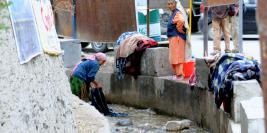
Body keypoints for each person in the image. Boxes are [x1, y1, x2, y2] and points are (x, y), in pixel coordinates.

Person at [70, 53, 127, 117]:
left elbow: (87, 75)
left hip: (73, 77)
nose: (103, 63)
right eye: (104, 61)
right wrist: (97, 84)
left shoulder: (89, 60)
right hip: (79, 79)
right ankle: (80, 114)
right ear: (101, 60)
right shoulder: (95, 64)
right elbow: (90, 77)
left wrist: (91, 84)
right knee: (81, 97)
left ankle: (78, 111)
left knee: (76, 97)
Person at [167, 0, 187, 80]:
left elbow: (181, 20)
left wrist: (180, 29)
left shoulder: (177, 13)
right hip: (173, 38)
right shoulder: (173, 13)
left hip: (177, 38)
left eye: (171, 4)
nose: (170, 5)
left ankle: (180, 74)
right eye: (168, 4)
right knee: (173, 57)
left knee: (177, 57)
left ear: (175, 4)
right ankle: (177, 74)